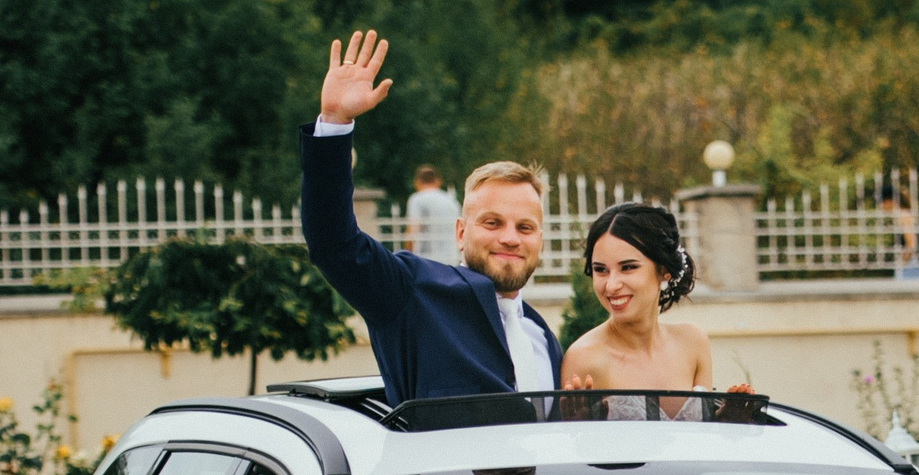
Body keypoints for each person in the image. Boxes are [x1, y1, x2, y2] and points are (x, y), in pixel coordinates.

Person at [299, 29, 560, 406]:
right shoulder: (412, 295)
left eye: (525, 227)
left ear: (540, 238)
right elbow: (333, 244)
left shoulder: (543, 338)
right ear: (460, 232)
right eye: (492, 223)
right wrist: (335, 122)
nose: (510, 238)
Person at [559, 202, 745, 419]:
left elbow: (703, 440)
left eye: (628, 267)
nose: (611, 285)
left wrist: (728, 421)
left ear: (664, 270)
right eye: (600, 270)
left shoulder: (693, 342)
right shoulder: (584, 357)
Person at [406, 166, 461, 265]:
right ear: (438, 181)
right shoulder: (451, 200)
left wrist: (407, 255)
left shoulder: (417, 199)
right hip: (452, 258)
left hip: (426, 260)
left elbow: (413, 231)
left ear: (417, 182)